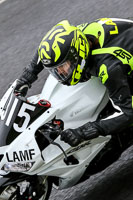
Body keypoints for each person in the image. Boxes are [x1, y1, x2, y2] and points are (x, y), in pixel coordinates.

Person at [15, 18, 133, 147]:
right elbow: (48, 48)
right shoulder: (74, 36)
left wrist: (84, 131)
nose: (60, 73)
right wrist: (26, 77)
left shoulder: (108, 68)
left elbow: (128, 113)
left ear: (77, 55)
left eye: (63, 67)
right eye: (56, 70)